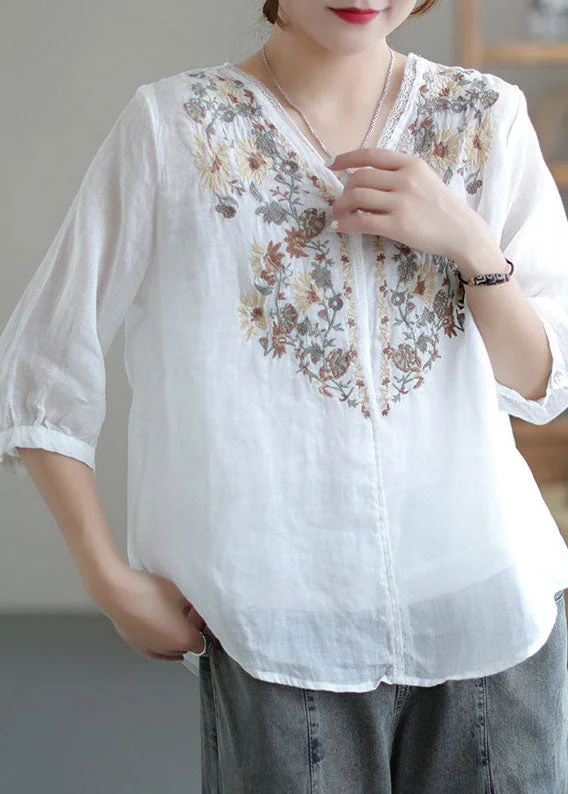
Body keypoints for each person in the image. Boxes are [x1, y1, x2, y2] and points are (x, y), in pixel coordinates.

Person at [1, 0, 568, 790]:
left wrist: (469, 242)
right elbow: (42, 361)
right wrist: (106, 577)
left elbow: (542, 378)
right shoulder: (174, 127)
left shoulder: (484, 115)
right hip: (280, 627)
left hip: (489, 616)